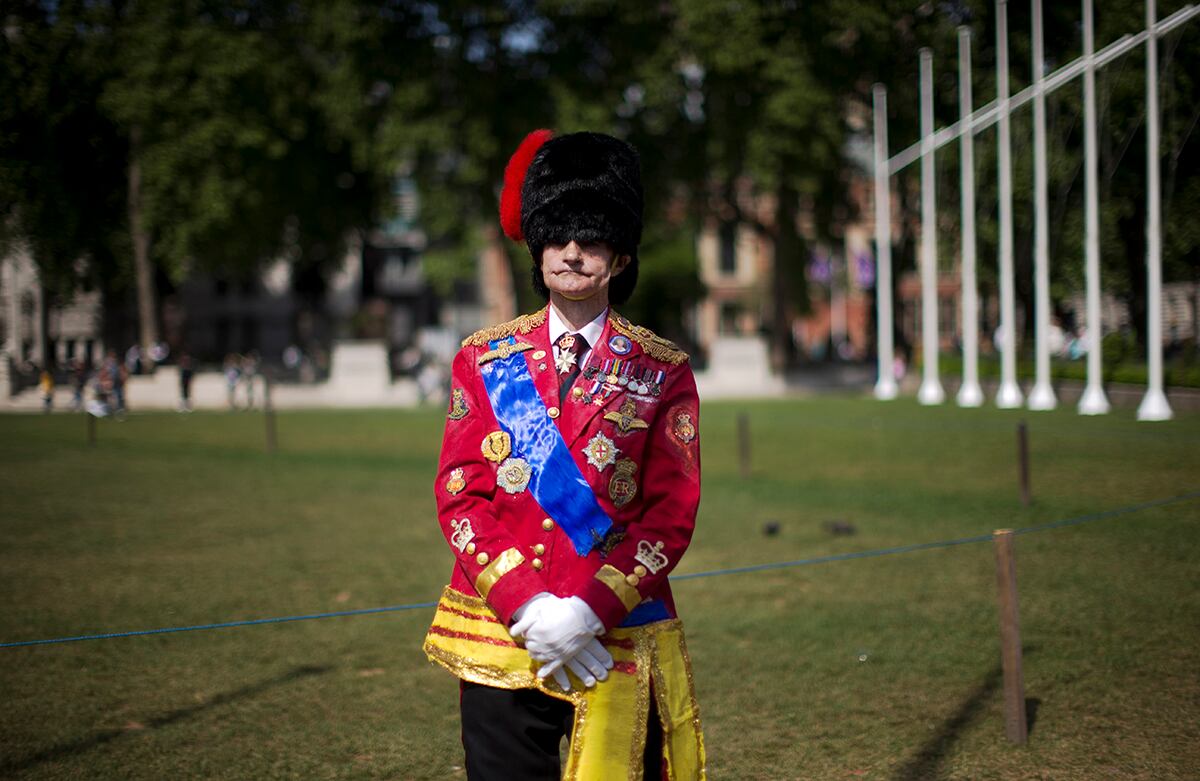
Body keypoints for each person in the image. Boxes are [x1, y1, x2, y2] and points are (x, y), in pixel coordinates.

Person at [423, 130, 705, 780]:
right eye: (558, 235)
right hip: (502, 635)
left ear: (622, 253)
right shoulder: (483, 359)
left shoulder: (663, 371)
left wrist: (586, 611)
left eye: (592, 237)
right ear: (536, 242)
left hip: (615, 635)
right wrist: (529, 604)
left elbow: (669, 517)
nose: (572, 252)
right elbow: (461, 496)